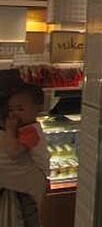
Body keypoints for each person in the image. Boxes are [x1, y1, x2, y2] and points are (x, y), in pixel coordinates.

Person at [1, 85, 48, 227]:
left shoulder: (31, 131)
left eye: (20, 109)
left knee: (28, 215)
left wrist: (10, 130)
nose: (14, 114)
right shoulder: (25, 129)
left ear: (37, 109)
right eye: (11, 110)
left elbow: (13, 152)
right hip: (29, 185)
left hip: (33, 185)